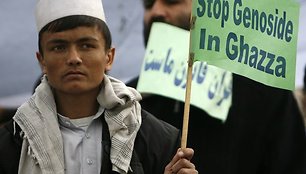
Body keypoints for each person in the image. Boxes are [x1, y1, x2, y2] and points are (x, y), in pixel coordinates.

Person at [0, 0, 198, 174]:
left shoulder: (156, 139)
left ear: (109, 57)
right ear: (42, 60)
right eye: (59, 47)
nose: (74, 58)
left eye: (86, 45)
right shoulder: (11, 143)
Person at [126, 0, 306, 174]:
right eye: (148, 4)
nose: (156, 11)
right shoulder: (128, 100)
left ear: (211, 8)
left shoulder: (265, 93)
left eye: (172, 1)